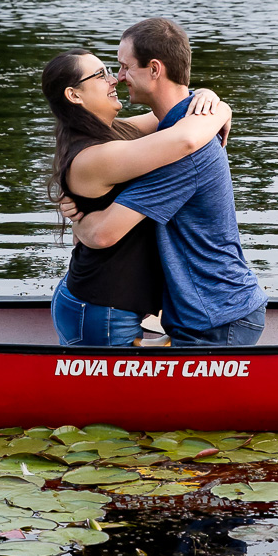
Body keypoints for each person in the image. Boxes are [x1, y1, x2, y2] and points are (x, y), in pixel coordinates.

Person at [65, 18, 267, 347]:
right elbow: (98, 146)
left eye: (124, 67)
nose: (118, 77)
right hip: (201, 311)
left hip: (217, 316)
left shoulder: (182, 152)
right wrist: (217, 103)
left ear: (155, 69)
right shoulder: (171, 129)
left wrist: (81, 219)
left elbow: (103, 233)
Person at [43, 48, 231, 346]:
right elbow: (185, 139)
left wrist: (207, 95)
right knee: (109, 395)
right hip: (102, 307)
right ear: (74, 95)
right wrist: (221, 111)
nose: (113, 80)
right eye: (100, 74)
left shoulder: (116, 132)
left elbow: (173, 114)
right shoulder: (95, 156)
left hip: (102, 301)